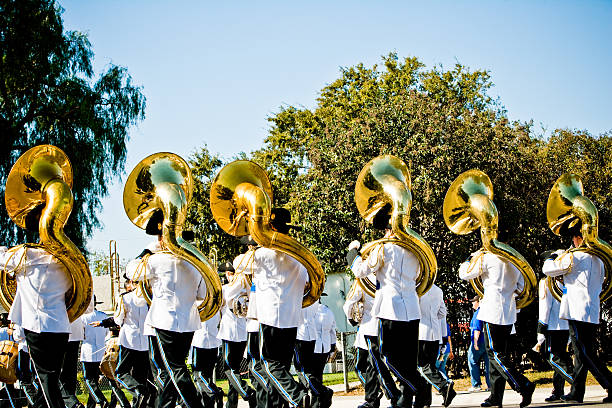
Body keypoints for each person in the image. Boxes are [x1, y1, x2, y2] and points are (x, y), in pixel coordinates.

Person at [126, 210, 206, 408]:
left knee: (174, 369)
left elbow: (131, 271)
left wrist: (148, 250)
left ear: (161, 237)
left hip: (164, 321)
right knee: (173, 372)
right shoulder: (195, 263)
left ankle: (196, 404)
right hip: (188, 322)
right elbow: (202, 294)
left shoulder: (156, 260)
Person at [350, 208, 426, 408]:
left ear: (385, 228)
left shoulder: (382, 248)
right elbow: (419, 275)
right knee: (408, 360)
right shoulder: (416, 249)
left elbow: (361, 270)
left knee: (387, 357)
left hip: (389, 309)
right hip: (411, 307)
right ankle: (406, 400)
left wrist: (352, 254)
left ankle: (420, 386)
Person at [459, 239, 535, 408]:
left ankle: (524, 385)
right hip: (508, 314)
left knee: (495, 355)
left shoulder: (487, 257)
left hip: (492, 312)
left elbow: (464, 273)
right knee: (498, 356)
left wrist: (469, 259)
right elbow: (522, 289)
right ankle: (495, 396)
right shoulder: (515, 262)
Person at [542, 221, 612, 403]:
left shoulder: (575, 256)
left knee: (585, 353)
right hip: (591, 310)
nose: (572, 242)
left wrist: (554, 256)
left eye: (573, 238)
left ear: (579, 238)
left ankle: (610, 384)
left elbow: (547, 269)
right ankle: (576, 392)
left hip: (576, 310)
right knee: (582, 354)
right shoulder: (598, 258)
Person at [1, 240, 72, 408]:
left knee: (46, 379)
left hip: (37, 326)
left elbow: (2, 259)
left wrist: (6, 248)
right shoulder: (67, 262)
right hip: (61, 326)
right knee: (50, 379)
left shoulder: (26, 255)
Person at [252, 208, 310, 408]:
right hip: (292, 319)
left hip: (269, 317)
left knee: (268, 365)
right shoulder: (300, 259)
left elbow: (240, 264)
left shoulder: (261, 253)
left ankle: (297, 395)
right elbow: (308, 284)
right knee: (282, 367)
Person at [343, 263, 400, 408]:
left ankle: (392, 396)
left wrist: (352, 320)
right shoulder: (390, 278)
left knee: (377, 365)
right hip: (387, 326)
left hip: (370, 328)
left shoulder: (363, 279)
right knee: (367, 366)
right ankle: (373, 397)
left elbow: (348, 304)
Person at [218, 259, 256, 408]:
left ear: (229, 274)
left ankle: (247, 392)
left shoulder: (226, 289)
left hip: (228, 333)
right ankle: (231, 404)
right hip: (242, 333)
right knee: (235, 371)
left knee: (229, 369)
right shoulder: (246, 288)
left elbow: (219, 303)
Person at [415, 284, 455, 408]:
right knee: (430, 368)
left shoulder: (416, 288)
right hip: (435, 334)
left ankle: (444, 386)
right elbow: (442, 312)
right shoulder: (438, 290)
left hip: (421, 333)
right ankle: (424, 400)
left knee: (421, 367)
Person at [536, 276, 573, 402]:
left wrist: (541, 329)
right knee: (561, 359)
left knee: (553, 358)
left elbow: (545, 307)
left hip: (553, 326)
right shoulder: (568, 280)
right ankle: (558, 391)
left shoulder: (546, 282)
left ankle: (576, 381)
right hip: (566, 325)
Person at [80, 297, 110, 408]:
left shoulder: (83, 318)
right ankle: (90, 404)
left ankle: (100, 399)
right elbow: (107, 333)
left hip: (88, 352)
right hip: (101, 351)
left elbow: (81, 334)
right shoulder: (103, 316)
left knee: (88, 379)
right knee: (95, 381)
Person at [189, 308, 223, 408]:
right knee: (206, 377)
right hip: (213, 341)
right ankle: (209, 403)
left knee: (198, 375)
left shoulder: (199, 298)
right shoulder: (216, 299)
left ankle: (215, 392)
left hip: (199, 340)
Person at [311, 300, 336, 408]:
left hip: (312, 346)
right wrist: (332, 347)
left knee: (310, 377)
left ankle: (321, 396)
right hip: (324, 347)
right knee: (318, 375)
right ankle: (318, 403)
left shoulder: (309, 310)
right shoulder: (328, 311)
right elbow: (332, 331)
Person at [466, 296, 490, 392]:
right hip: (486, 341)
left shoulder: (477, 313)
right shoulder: (487, 312)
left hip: (479, 341)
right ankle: (490, 385)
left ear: (478, 302)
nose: (472, 304)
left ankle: (476, 385)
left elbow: (477, 328)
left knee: (472, 360)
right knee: (488, 364)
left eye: (473, 302)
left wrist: (475, 343)